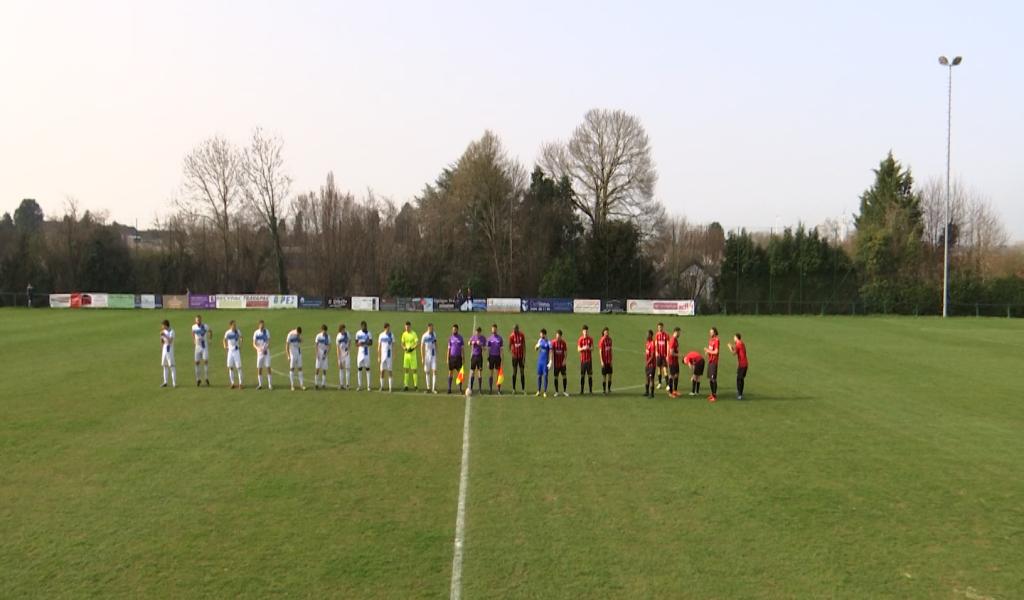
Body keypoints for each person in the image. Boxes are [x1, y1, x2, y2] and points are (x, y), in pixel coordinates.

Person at [191, 315, 211, 387]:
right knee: (197, 362)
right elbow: (193, 333)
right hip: (197, 347)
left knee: (205, 361)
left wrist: (210, 339)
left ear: (201, 320)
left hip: (204, 346)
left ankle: (206, 378)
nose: (198, 321)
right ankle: (198, 379)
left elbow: (210, 331)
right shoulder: (194, 327)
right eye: (197, 320)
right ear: (195, 321)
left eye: (199, 320)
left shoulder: (205, 326)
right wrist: (194, 339)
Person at [728, 333, 749, 400]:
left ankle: (740, 394)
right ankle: (739, 392)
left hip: (743, 364)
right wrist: (732, 346)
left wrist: (730, 347)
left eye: (734, 337)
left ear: (737, 338)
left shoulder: (739, 344)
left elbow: (734, 353)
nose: (733, 339)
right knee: (739, 378)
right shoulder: (740, 343)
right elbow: (737, 349)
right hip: (742, 364)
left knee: (740, 379)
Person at [253, 320, 273, 390]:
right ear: (259, 325)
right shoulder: (256, 333)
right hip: (259, 353)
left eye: (263, 325)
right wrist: (258, 349)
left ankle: (270, 385)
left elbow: (268, 341)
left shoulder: (266, 331)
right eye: (261, 325)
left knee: (268, 367)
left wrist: (265, 348)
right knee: (259, 368)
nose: (262, 326)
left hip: (266, 352)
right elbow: (254, 343)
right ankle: (260, 384)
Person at [223, 320, 243, 389]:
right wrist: (225, 345)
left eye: (235, 325)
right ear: (230, 326)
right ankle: (232, 383)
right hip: (230, 351)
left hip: (236, 351)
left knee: (239, 367)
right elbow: (224, 339)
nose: (235, 326)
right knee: (230, 367)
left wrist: (241, 344)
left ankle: (240, 383)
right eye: (234, 325)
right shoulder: (228, 332)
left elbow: (241, 337)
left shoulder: (238, 331)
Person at [401, 321, 419, 391]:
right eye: (406, 327)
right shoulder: (404, 334)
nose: (407, 328)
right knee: (406, 370)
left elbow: (417, 343)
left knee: (414, 370)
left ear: (410, 327)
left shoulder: (414, 334)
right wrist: (404, 348)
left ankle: (415, 385)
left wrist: (412, 348)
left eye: (408, 327)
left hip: (413, 355)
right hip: (406, 355)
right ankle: (406, 385)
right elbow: (402, 344)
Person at [355, 321, 373, 391]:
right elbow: (356, 343)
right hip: (360, 353)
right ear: (361, 326)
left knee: (367, 368)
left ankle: (369, 386)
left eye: (365, 326)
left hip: (366, 353)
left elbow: (371, 343)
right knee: (359, 369)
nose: (364, 328)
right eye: (363, 326)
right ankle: (359, 385)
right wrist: (359, 344)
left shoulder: (369, 333)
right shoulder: (358, 333)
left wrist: (364, 343)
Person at [287, 326, 306, 391]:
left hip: (298, 353)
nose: (299, 334)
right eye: (298, 333)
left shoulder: (299, 335)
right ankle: (292, 385)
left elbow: (302, 341)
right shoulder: (290, 334)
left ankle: (302, 385)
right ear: (296, 331)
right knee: (292, 369)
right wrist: (288, 356)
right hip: (292, 353)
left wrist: (299, 337)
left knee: (300, 368)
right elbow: (287, 345)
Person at [421, 323, 439, 394]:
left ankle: (433, 388)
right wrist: (422, 357)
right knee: (427, 371)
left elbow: (436, 343)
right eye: (431, 328)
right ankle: (428, 388)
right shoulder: (424, 336)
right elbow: (422, 347)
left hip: (433, 355)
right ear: (428, 328)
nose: (432, 329)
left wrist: (437, 353)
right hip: (427, 356)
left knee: (434, 371)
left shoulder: (434, 334)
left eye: (432, 328)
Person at [509, 324, 526, 395]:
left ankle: (523, 389)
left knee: (522, 372)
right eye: (513, 329)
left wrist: (524, 357)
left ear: (517, 329)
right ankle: (513, 389)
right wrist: (512, 353)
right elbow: (510, 345)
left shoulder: (522, 335)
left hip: (521, 357)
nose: (513, 330)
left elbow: (524, 346)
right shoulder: (511, 336)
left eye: (515, 329)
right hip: (515, 357)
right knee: (514, 372)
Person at [447, 324, 465, 394]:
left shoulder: (460, 338)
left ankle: (460, 389)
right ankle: (449, 388)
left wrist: (463, 358)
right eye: (453, 329)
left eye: (455, 329)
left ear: (457, 330)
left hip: (458, 358)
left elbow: (462, 349)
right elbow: (448, 349)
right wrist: (447, 358)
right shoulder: (450, 338)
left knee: (460, 374)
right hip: (452, 357)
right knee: (450, 372)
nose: (453, 330)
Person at [486, 324, 503, 394]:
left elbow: (501, 350)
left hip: (498, 357)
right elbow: (488, 350)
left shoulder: (500, 338)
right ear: (491, 330)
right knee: (491, 373)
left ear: (496, 329)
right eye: (493, 329)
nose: (494, 330)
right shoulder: (489, 338)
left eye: (495, 329)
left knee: (498, 374)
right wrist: (488, 360)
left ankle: (498, 390)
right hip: (491, 357)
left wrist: (502, 359)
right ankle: (490, 389)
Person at [577, 325, 594, 395]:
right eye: (584, 331)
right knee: (582, 375)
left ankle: (590, 390)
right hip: (583, 360)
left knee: (590, 375)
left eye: (586, 331)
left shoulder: (590, 339)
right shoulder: (580, 339)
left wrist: (588, 348)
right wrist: (583, 348)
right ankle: (582, 390)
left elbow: (592, 348)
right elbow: (578, 349)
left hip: (589, 360)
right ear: (582, 331)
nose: (585, 332)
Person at [705, 327, 720, 403]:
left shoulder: (716, 340)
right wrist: (707, 351)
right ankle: (712, 394)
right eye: (710, 332)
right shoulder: (710, 340)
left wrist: (708, 351)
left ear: (715, 333)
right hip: (710, 361)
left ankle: (714, 396)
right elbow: (711, 349)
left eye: (711, 332)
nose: (710, 333)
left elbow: (716, 352)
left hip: (714, 362)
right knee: (710, 379)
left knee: (713, 379)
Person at [551, 330, 569, 397]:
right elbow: (551, 352)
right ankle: (556, 392)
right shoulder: (553, 342)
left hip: (562, 364)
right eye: (556, 336)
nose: (557, 338)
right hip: (556, 363)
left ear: (561, 336)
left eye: (558, 337)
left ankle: (565, 391)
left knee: (564, 376)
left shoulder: (563, 343)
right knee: (556, 377)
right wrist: (551, 361)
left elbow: (565, 352)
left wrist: (564, 360)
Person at [378, 322, 395, 392]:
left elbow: (393, 345)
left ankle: (390, 388)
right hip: (383, 356)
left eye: (389, 328)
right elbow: (379, 346)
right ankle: (381, 386)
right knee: (382, 371)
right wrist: (378, 356)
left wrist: (394, 354)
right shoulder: (381, 335)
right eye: (388, 328)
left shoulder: (391, 335)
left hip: (389, 356)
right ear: (385, 328)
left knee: (390, 371)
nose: (389, 329)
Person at [160, 320, 177, 388]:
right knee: (165, 366)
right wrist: (162, 348)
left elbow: (170, 341)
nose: (162, 326)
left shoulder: (172, 331)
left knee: (172, 366)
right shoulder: (163, 331)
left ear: (165, 325)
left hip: (170, 349)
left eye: (162, 325)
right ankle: (165, 382)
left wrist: (164, 335)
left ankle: (174, 383)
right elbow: (162, 340)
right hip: (164, 350)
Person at [535, 328, 551, 397]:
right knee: (539, 376)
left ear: (544, 334)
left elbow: (551, 351)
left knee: (545, 376)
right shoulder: (540, 340)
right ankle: (538, 391)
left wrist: (550, 361)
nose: (540, 335)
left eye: (541, 334)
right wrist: (537, 346)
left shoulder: (548, 342)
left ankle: (544, 391)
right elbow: (535, 349)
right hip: (540, 361)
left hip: (545, 361)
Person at [469, 326, 485, 393]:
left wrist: (480, 344)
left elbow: (485, 348)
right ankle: (471, 388)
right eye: (476, 332)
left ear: (480, 332)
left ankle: (480, 389)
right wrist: (471, 343)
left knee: (479, 373)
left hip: (479, 357)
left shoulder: (483, 338)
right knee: (472, 372)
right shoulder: (473, 337)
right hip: (474, 356)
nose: (477, 333)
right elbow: (468, 343)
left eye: (478, 332)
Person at [314, 324, 331, 390]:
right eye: (323, 330)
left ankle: (323, 384)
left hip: (324, 353)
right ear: (321, 330)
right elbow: (316, 345)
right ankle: (316, 384)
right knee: (317, 368)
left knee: (324, 369)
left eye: (325, 331)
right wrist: (317, 354)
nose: (324, 332)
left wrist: (326, 354)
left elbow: (329, 346)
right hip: (319, 353)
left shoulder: (328, 337)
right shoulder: (318, 336)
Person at [653, 322, 669, 390]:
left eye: (661, 327)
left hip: (664, 356)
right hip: (658, 355)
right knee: (659, 370)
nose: (660, 328)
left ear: (663, 327)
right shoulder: (657, 335)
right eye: (659, 327)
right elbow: (656, 344)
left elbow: (668, 345)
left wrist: (667, 355)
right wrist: (656, 352)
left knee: (665, 370)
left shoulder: (666, 335)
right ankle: (659, 383)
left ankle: (668, 385)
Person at [667, 327, 682, 397]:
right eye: (679, 332)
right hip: (672, 361)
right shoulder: (672, 340)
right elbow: (671, 353)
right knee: (672, 376)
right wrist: (679, 355)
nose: (680, 334)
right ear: (676, 332)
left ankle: (675, 390)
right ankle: (670, 392)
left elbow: (676, 349)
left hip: (675, 361)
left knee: (677, 375)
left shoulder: (676, 340)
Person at [598, 327, 613, 394]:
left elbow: (611, 350)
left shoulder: (610, 340)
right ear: (603, 332)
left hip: (609, 361)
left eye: (607, 332)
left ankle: (609, 389)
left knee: (610, 375)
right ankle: (604, 390)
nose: (607, 333)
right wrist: (601, 361)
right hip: (604, 361)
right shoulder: (602, 340)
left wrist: (611, 360)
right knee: (604, 376)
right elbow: (600, 351)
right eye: (606, 332)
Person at [336, 324, 350, 390]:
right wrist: (339, 358)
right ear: (340, 330)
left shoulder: (347, 334)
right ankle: (341, 384)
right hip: (341, 354)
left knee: (347, 368)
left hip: (346, 354)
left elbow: (350, 341)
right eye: (343, 329)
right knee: (341, 369)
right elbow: (337, 347)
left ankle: (347, 385)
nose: (344, 330)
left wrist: (348, 348)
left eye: (344, 329)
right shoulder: (338, 336)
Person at [644, 330, 656, 398]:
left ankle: (652, 394)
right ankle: (647, 392)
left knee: (651, 379)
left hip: (651, 365)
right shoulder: (647, 343)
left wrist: (647, 363)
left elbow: (652, 356)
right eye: (646, 334)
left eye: (648, 334)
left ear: (651, 335)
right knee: (647, 378)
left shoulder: (652, 343)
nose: (646, 336)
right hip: (648, 364)